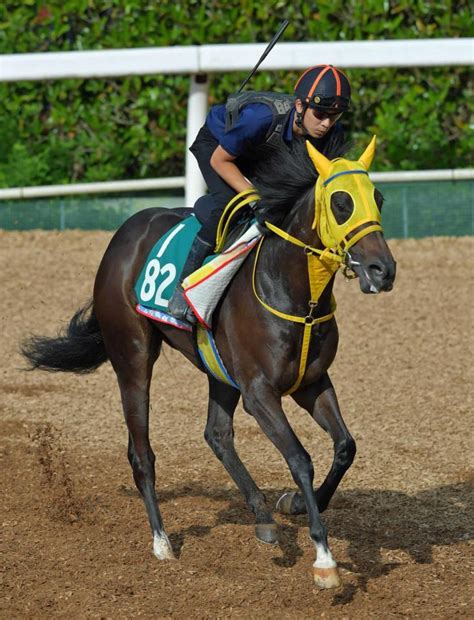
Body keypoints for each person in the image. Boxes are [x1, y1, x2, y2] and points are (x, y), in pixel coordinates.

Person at [168, 64, 351, 322]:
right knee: (232, 203)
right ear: (299, 106)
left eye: (335, 116)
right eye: (320, 114)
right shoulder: (260, 119)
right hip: (219, 149)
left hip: (262, 153)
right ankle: (182, 289)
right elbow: (220, 161)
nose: (326, 124)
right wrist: (255, 198)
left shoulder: (331, 133)